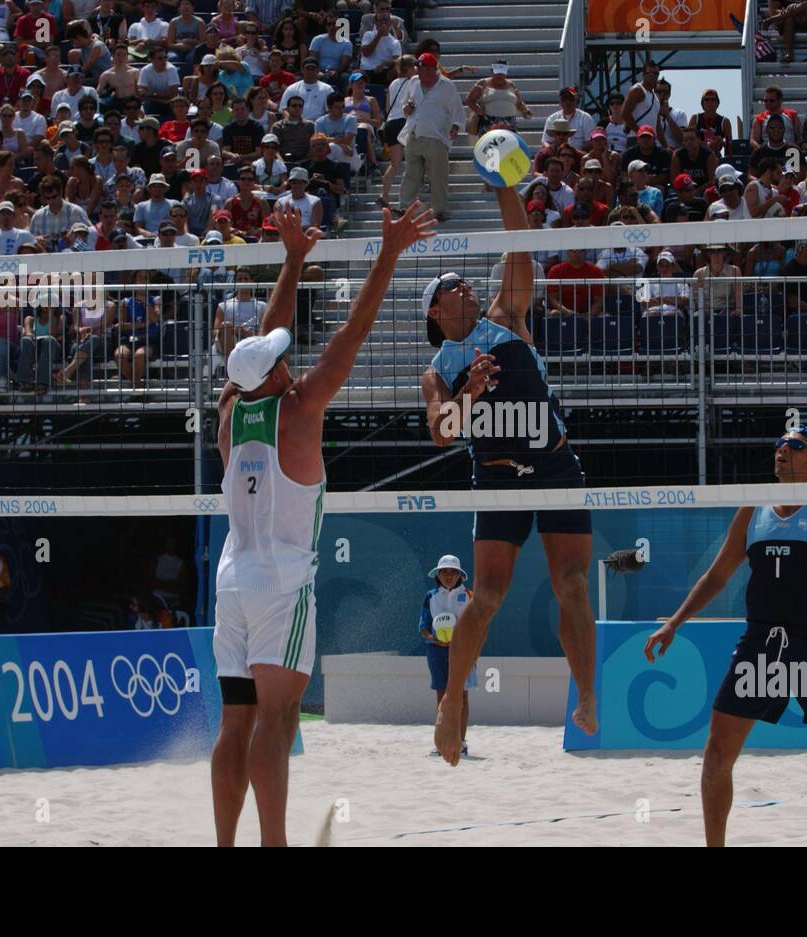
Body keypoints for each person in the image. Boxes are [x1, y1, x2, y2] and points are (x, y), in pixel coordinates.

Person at [210, 201, 434, 847]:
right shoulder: (301, 410)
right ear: (277, 374)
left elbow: (255, 356)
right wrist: (388, 253)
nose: (287, 357)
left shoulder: (229, 414)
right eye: (280, 358)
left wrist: (293, 261)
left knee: (234, 724)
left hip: (232, 578)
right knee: (276, 725)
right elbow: (352, 335)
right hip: (282, 581)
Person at [420, 186, 598, 766]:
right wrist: (470, 389)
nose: (464, 286)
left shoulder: (506, 317)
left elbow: (520, 244)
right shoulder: (438, 369)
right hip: (497, 476)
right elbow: (442, 433)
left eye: (466, 282)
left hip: (554, 464)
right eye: (452, 286)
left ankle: (588, 695)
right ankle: (451, 701)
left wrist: (503, 184)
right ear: (434, 310)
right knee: (488, 594)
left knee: (572, 585)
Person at [644, 427, 807, 847]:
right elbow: (717, 576)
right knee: (717, 754)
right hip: (760, 648)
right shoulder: (752, 511)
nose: (782, 450)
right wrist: (675, 623)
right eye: (779, 443)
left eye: (795, 446)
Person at [418, 554, 477, 757]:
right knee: (441, 695)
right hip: (437, 650)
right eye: (444, 571)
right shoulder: (430, 596)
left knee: (462, 695)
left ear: (460, 575)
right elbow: (423, 628)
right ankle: (442, 742)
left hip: (464, 651)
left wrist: (463, 641)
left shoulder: (470, 595)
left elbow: (478, 625)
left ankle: (460, 742)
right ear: (438, 574)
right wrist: (436, 640)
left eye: (453, 572)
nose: (448, 575)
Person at [396, 51, 462, 221]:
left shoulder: (447, 86)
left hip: (437, 137)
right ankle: (405, 207)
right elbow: (404, 103)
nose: (418, 72)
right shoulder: (413, 82)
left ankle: (439, 210)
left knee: (438, 176)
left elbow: (457, 110)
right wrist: (406, 109)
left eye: (422, 68)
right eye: (418, 68)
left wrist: (455, 126)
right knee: (411, 174)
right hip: (415, 133)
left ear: (432, 70)